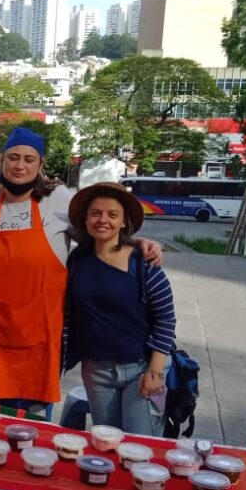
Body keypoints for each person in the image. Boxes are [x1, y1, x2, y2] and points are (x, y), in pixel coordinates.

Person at [0, 127, 162, 418]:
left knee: (34, 423)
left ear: (40, 165)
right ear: (1, 161)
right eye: (13, 157)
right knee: (0, 417)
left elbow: (99, 231)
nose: (20, 165)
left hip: (42, 333)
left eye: (29, 159)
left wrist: (135, 243)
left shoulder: (59, 199)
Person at [64, 182, 176, 436]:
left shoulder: (144, 263)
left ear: (124, 222)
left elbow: (166, 318)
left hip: (141, 368)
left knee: (140, 447)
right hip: (96, 371)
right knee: (106, 444)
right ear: (85, 219)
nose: (103, 220)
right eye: (96, 213)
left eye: (112, 215)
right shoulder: (77, 260)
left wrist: (155, 371)